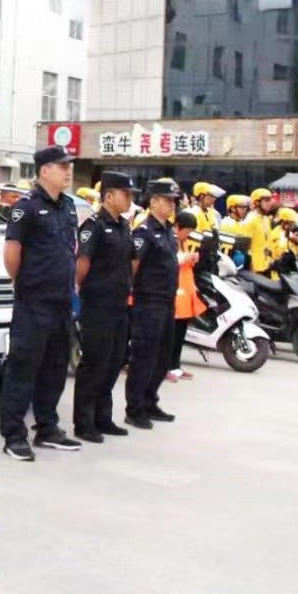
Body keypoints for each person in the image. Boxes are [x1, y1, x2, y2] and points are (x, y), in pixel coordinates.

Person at [0, 145, 81, 461]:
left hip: (62, 302)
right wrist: (24, 283)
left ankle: (47, 428)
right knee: (23, 368)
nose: (68, 171)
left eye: (69, 166)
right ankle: (13, 435)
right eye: (63, 166)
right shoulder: (27, 208)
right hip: (34, 302)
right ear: (45, 170)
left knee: (55, 368)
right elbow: (12, 253)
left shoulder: (68, 207)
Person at [71, 170, 139, 443]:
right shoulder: (94, 226)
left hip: (119, 305)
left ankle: (103, 417)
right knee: (94, 364)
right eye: (126, 194)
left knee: (113, 363)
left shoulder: (124, 225)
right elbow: (82, 264)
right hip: (98, 305)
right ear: (109, 196)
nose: (130, 199)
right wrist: (83, 292)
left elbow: (132, 260)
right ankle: (84, 422)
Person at [125, 180, 182, 430]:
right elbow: (132, 267)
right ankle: (134, 408)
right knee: (144, 356)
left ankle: (150, 402)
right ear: (154, 201)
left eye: (174, 201)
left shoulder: (168, 230)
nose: (172, 205)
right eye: (168, 200)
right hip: (149, 302)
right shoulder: (144, 232)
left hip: (167, 302)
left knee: (162, 357)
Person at [167, 212, 206, 383]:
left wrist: (192, 259)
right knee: (171, 335)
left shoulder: (183, 242)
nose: (188, 235)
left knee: (180, 334)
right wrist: (184, 259)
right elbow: (170, 262)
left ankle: (175, 366)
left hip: (185, 293)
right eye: (187, 231)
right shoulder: (171, 240)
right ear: (178, 227)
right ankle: (166, 367)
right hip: (175, 294)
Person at [243, 188, 275, 274]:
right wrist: (250, 264)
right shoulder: (250, 220)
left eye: (270, 200)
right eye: (266, 201)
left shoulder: (266, 219)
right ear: (257, 202)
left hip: (266, 264)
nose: (269, 203)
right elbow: (246, 245)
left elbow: (268, 242)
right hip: (254, 266)